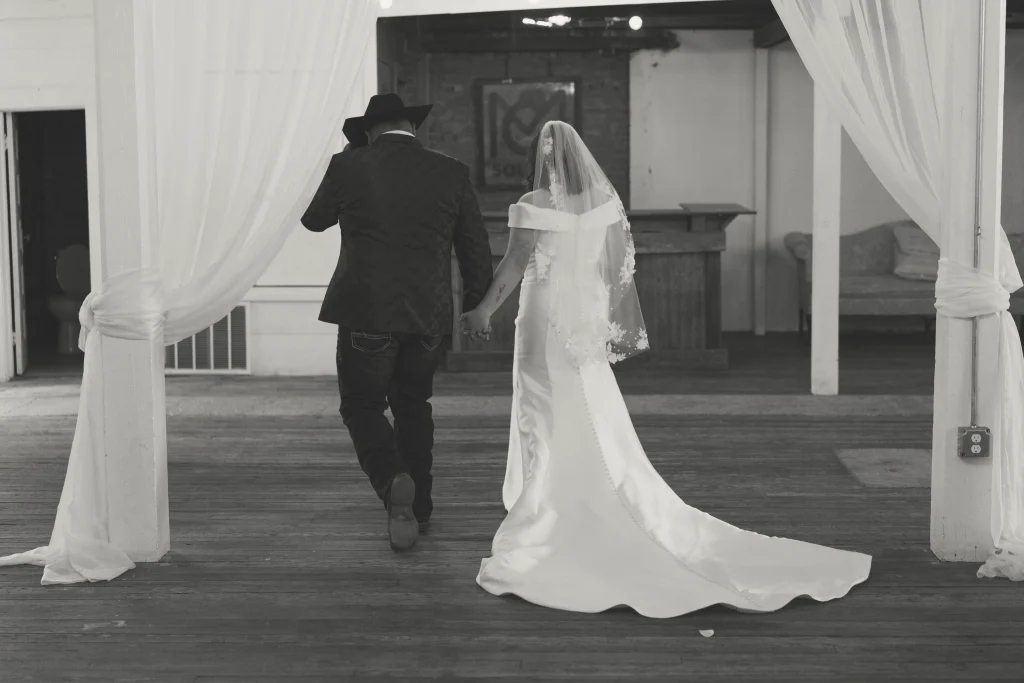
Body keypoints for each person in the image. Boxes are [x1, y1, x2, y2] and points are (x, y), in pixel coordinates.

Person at [462, 120, 871, 617]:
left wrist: (483, 309)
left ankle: (549, 510)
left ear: (540, 158)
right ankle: (573, 496)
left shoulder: (534, 203)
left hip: (544, 317)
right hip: (583, 324)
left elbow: (514, 264)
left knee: (542, 409)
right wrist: (594, 317)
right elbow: (614, 273)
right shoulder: (604, 204)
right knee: (587, 406)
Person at [301, 93, 493, 551]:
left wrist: (350, 160)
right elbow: (474, 248)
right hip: (428, 315)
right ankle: (420, 508)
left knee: (362, 406)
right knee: (413, 405)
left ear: (369, 131)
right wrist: (474, 306)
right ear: (413, 127)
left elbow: (314, 221)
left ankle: (392, 483)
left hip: (366, 311)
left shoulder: (350, 166)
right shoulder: (451, 172)